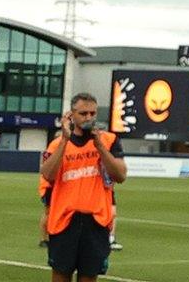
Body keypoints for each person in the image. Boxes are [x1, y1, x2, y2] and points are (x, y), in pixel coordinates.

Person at [40, 93, 126, 282]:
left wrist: (100, 147)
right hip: (64, 221)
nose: (88, 118)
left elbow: (120, 175)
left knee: (89, 276)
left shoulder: (109, 140)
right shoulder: (57, 144)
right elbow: (48, 174)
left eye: (92, 113)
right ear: (72, 115)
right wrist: (64, 140)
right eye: (83, 113)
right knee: (60, 275)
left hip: (96, 222)